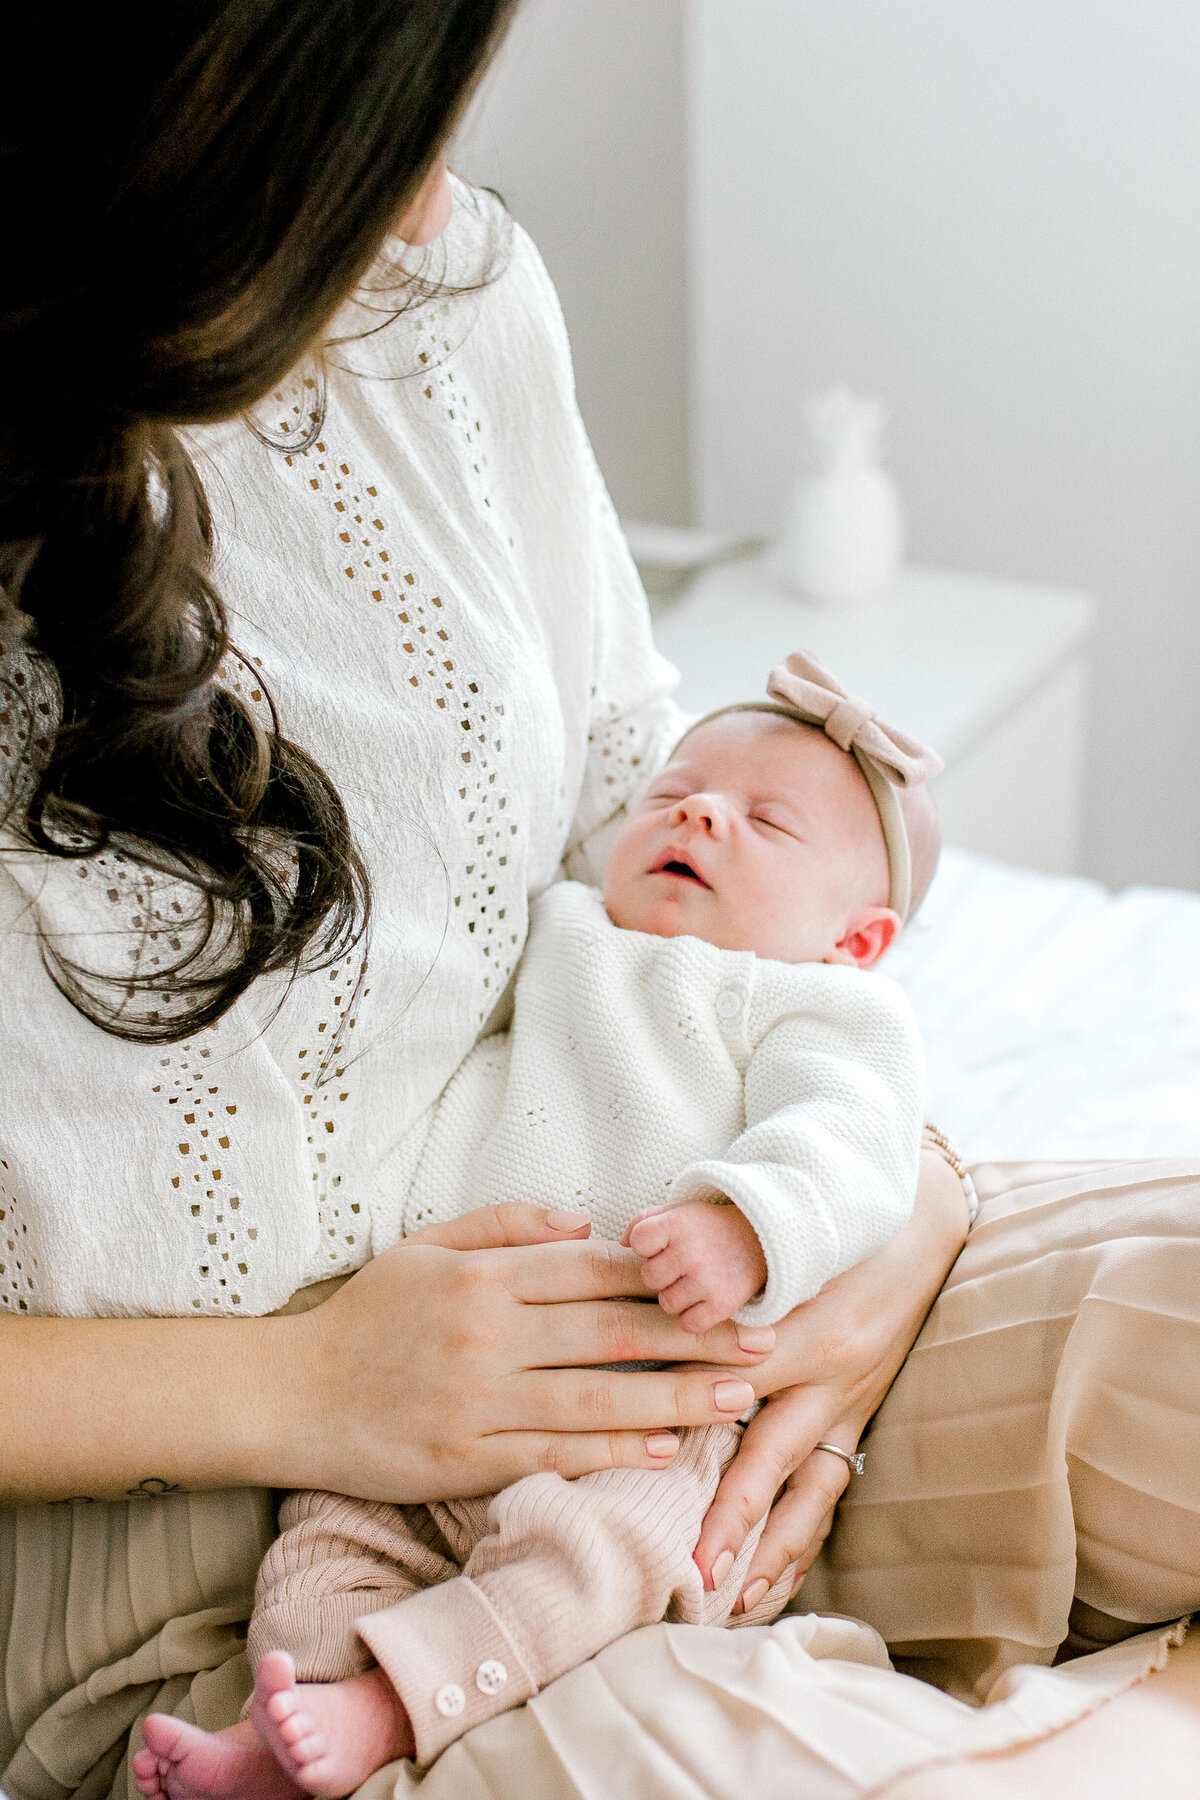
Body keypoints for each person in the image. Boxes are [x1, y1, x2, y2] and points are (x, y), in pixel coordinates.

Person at [2, 7, 1197, 1799]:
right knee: (742, 1758)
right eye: (376, 125)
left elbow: (634, 794)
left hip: (677, 1334)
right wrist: (316, 1386)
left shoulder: (450, 289)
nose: (427, 197)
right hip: (201, 1568)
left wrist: (897, 1220)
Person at [133, 668, 940, 1793]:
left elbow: (853, 1136)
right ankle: (285, 1727)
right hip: (419, 1379)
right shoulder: (560, 926)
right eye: (677, 791)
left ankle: (389, 1708)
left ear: (855, 940)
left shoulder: (809, 1003)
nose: (699, 814)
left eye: (766, 822)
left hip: (644, 1404)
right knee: (324, 1545)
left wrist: (746, 1226)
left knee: (598, 1555)